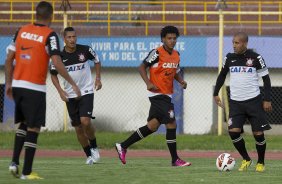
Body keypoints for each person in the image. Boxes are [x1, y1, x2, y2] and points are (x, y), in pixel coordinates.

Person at [5, 1, 81, 180]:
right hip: (35, 87)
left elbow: (9, 59)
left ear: (35, 14)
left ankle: (14, 162)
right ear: (51, 16)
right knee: (34, 127)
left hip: (18, 84)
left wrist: (8, 83)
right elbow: (56, 62)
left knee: (23, 123)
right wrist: (72, 82)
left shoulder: (21, 30)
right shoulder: (50, 35)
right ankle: (26, 172)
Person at [115, 26, 191, 167]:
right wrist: (148, 83)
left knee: (152, 126)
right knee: (171, 123)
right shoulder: (156, 53)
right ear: (163, 39)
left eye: (174, 38)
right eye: (169, 38)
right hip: (157, 94)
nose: (172, 41)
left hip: (166, 95)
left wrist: (181, 81)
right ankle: (175, 159)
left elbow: (175, 71)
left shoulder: (176, 54)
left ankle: (123, 146)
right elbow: (142, 67)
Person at [213, 32, 272, 172]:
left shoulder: (256, 58)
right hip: (236, 103)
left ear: (245, 43)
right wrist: (215, 93)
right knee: (233, 132)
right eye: (233, 42)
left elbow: (266, 79)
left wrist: (267, 99)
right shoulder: (229, 57)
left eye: (237, 43)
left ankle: (261, 162)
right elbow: (222, 75)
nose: (234, 45)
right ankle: (246, 159)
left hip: (254, 102)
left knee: (258, 134)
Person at [50, 27, 102, 165]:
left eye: (74, 37)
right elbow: (53, 76)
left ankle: (94, 146)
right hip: (70, 95)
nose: (72, 40)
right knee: (78, 127)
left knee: (85, 121)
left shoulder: (85, 50)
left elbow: (97, 60)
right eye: (69, 37)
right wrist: (61, 91)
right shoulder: (58, 57)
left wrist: (98, 78)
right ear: (64, 39)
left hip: (86, 91)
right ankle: (89, 155)